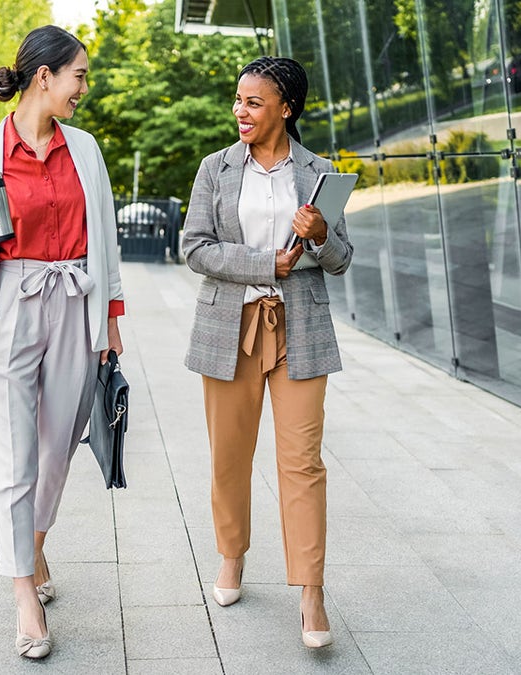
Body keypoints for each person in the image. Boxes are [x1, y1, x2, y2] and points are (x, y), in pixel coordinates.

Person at [0, 25, 125, 660]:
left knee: (57, 448)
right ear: (43, 76)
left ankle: (35, 543)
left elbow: (105, 237)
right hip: (11, 307)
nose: (83, 88)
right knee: (14, 455)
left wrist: (113, 322)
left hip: (75, 301)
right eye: (78, 75)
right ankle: (24, 594)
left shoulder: (87, 150)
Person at [181, 56, 352, 649]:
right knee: (229, 455)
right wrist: (264, 264)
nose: (241, 111)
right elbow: (195, 247)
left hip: (300, 328)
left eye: (253, 102)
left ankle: (311, 592)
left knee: (302, 463)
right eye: (238, 100)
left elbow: (341, 259)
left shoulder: (320, 172)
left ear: (286, 107)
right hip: (230, 327)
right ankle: (231, 556)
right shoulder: (216, 168)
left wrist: (323, 236)